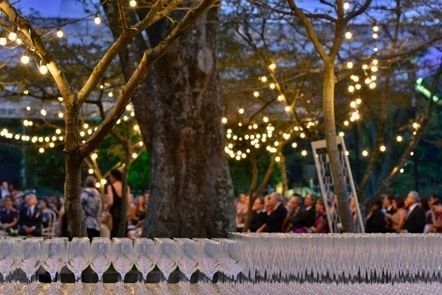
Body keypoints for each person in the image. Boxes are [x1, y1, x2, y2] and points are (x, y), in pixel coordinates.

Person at [106, 169, 132, 238]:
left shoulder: (110, 187)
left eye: (110, 176)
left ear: (114, 176)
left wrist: (106, 209)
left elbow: (110, 202)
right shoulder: (126, 187)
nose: (110, 178)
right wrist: (128, 213)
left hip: (115, 215)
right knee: (123, 235)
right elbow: (129, 202)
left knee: (114, 235)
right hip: (123, 214)